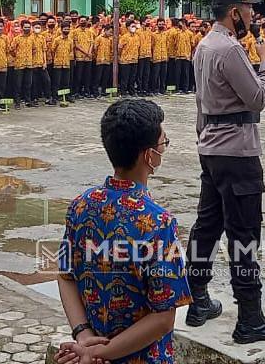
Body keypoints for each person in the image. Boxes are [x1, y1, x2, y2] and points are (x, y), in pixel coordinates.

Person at [186, 0, 265, 343]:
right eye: (248, 10)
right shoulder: (229, 49)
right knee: (244, 233)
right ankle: (250, 318)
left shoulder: (205, 45)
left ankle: (198, 299)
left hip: (211, 147)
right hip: (237, 152)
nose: (252, 15)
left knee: (208, 224)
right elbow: (257, 98)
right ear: (234, 13)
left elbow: (201, 101)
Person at [56, 99, 190, 364]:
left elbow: (65, 276)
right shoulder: (158, 222)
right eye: (164, 142)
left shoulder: (81, 205)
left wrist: (83, 336)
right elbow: (163, 318)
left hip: (92, 342)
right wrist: (99, 352)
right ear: (149, 155)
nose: (164, 147)